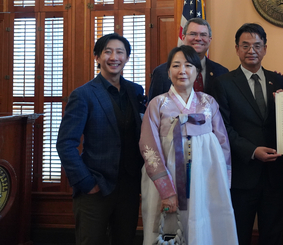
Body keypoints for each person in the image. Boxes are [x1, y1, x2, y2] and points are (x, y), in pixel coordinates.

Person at [139, 45, 237, 245]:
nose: (182, 70)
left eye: (188, 65)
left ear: (197, 72)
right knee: (169, 230)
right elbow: (149, 147)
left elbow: (223, 143)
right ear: (168, 72)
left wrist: (223, 181)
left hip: (206, 178)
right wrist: (166, 190)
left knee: (206, 225)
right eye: (176, 65)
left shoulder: (208, 103)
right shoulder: (157, 105)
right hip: (169, 179)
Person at [56, 33, 145, 245]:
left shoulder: (136, 91)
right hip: (94, 187)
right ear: (97, 57)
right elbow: (65, 144)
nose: (114, 57)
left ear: (127, 58)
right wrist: (86, 182)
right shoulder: (83, 94)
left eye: (120, 52)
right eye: (108, 51)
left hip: (129, 187)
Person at [212, 23, 283, 245]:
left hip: (275, 174)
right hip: (242, 175)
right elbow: (223, 128)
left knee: (273, 235)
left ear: (265, 48)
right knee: (239, 234)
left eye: (257, 45)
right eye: (245, 45)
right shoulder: (223, 84)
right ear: (236, 49)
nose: (251, 50)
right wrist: (252, 151)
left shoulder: (279, 80)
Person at [148, 18, 228, 99]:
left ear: (209, 40)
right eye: (193, 34)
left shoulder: (221, 72)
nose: (198, 38)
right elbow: (153, 108)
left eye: (203, 35)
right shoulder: (161, 72)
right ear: (183, 38)